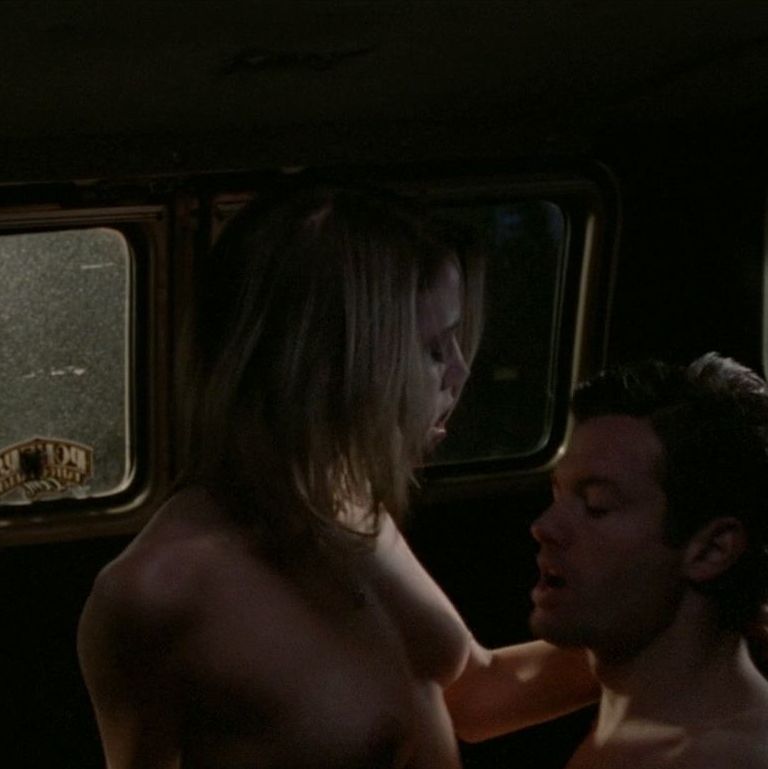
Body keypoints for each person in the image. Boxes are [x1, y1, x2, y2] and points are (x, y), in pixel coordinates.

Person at [77, 182, 564, 769]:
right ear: (339, 363)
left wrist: (654, 626)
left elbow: (473, 696)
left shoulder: (347, 503)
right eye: (433, 349)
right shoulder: (158, 593)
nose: (459, 372)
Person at [522, 354, 768, 768]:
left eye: (596, 506)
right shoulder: (651, 712)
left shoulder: (724, 758)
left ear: (712, 550)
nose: (544, 526)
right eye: (558, 495)